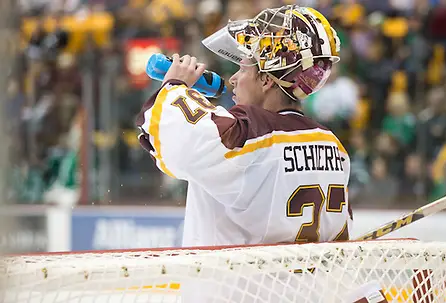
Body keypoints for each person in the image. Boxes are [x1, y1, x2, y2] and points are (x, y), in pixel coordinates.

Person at [136, 5, 358, 302]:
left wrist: (176, 85)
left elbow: (164, 130)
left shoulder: (246, 134)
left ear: (267, 80)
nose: (233, 80)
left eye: (242, 68)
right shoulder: (334, 147)